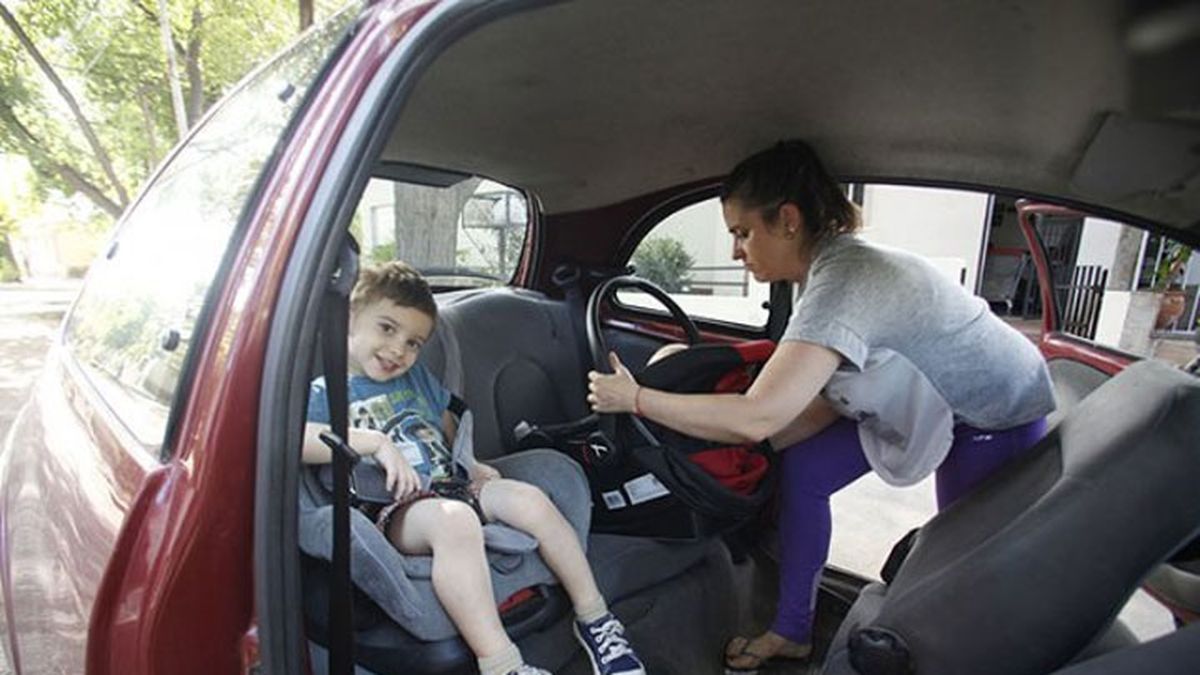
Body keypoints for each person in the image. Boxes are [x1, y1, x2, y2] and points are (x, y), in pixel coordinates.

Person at [587, 140, 1055, 672]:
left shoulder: (843, 282)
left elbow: (758, 416)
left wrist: (636, 399)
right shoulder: (825, 272)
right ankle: (793, 630)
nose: (737, 250)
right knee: (805, 469)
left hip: (991, 410)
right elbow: (819, 400)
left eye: (743, 232)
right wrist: (745, 449)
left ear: (787, 219)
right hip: (914, 396)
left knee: (963, 567)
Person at [304, 261, 646, 675]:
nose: (399, 350)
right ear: (350, 320)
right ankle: (502, 664)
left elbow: (448, 422)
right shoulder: (327, 392)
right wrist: (377, 444)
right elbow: (300, 443)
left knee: (530, 500)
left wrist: (472, 464)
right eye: (387, 329)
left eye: (414, 342)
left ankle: (596, 620)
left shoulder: (415, 381)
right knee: (455, 522)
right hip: (394, 509)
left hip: (451, 486)